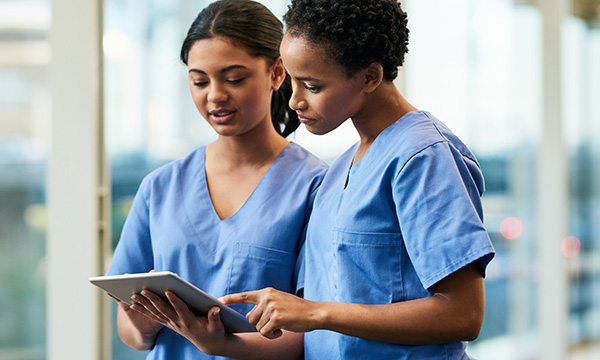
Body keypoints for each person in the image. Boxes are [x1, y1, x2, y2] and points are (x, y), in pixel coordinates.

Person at [220, 0, 496, 359]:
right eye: (292, 81)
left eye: (312, 86)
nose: (294, 102)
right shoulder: (339, 171)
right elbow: (319, 331)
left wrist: (318, 313)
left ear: (369, 77)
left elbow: (464, 314)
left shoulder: (422, 157)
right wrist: (216, 340)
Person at [104, 0, 327, 359]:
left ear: (276, 73)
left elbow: (317, 330)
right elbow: (130, 330)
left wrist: (223, 345)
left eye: (234, 78)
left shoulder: (315, 187)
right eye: (199, 81)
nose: (215, 95)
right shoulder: (160, 187)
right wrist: (145, 322)